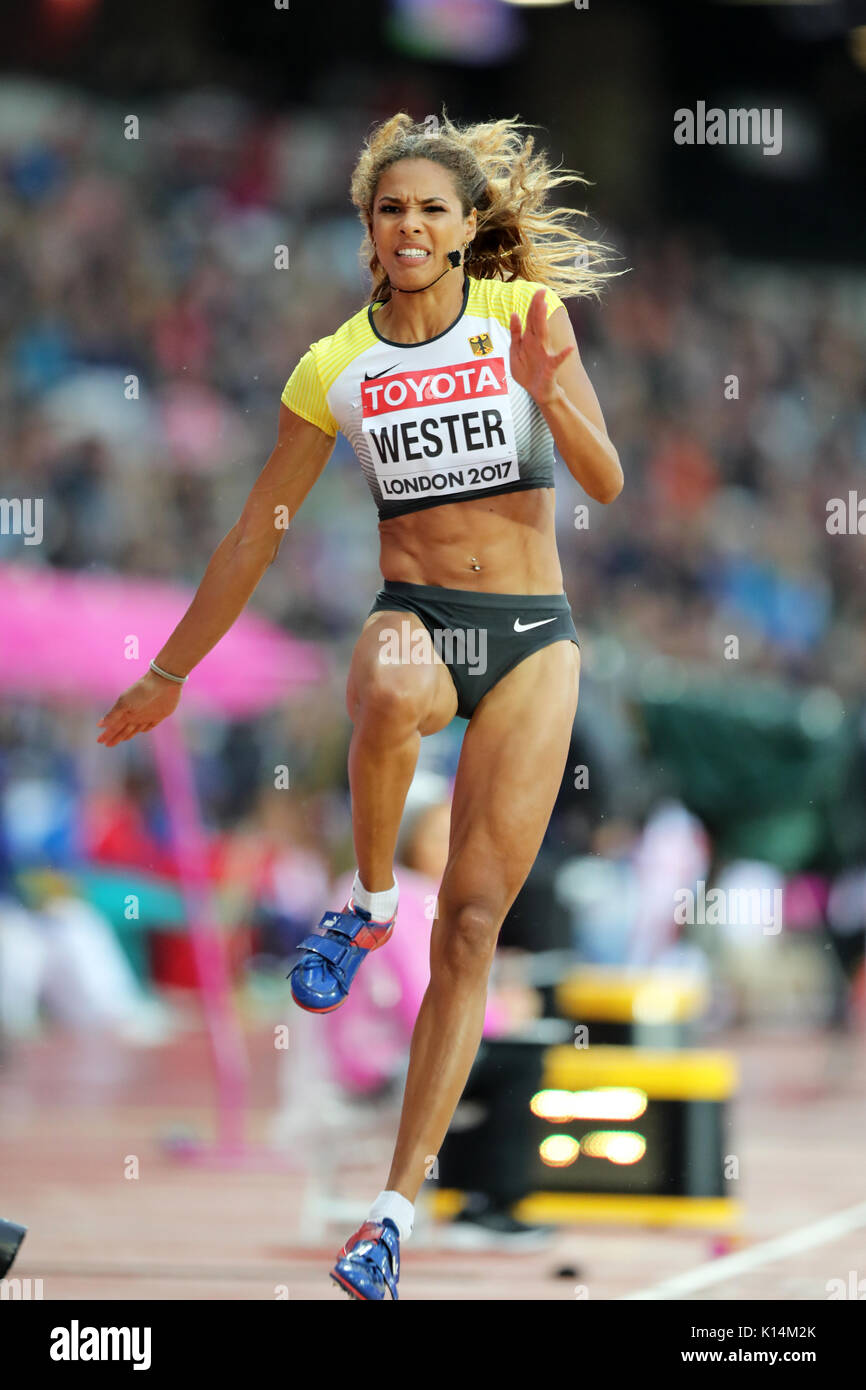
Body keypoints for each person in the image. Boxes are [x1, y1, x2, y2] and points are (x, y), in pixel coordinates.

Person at [96, 110, 623, 1300]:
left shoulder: (523, 320)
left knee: (477, 930)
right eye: (391, 209)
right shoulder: (336, 367)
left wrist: (556, 392)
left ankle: (389, 1220)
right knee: (382, 679)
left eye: (432, 208)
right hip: (419, 616)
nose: (410, 226)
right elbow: (256, 532)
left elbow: (603, 478)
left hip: (534, 637)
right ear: (367, 228)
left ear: (464, 227)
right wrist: (170, 669)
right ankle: (371, 900)